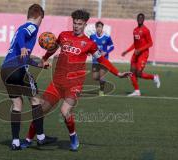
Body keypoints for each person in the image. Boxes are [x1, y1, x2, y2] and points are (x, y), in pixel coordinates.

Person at [21, 9, 130, 151]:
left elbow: (102, 59)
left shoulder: (89, 43)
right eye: (74, 23)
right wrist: (44, 58)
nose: (76, 26)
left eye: (79, 24)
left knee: (65, 111)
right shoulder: (63, 35)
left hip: (74, 84)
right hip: (57, 82)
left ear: (85, 24)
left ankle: (73, 136)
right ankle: (29, 139)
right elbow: (53, 49)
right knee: (40, 111)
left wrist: (118, 73)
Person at [1, 4, 56, 150]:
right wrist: (24, 46)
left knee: (17, 104)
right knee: (35, 100)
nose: (41, 22)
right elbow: (21, 36)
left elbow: (23, 55)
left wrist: (39, 64)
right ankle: (41, 138)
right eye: (41, 20)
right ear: (39, 16)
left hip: (5, 70)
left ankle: (15, 142)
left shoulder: (21, 27)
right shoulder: (32, 26)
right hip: (18, 69)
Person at [122, 13, 161, 96]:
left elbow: (150, 43)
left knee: (138, 74)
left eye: (141, 18)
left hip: (143, 54)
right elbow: (135, 44)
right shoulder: (135, 30)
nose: (140, 20)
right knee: (132, 72)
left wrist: (140, 49)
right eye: (138, 18)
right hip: (136, 53)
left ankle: (154, 77)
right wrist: (127, 51)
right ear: (137, 19)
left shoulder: (146, 30)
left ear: (143, 20)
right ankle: (137, 91)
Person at [90, 21, 114, 96]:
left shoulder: (107, 37)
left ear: (102, 28)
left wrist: (106, 52)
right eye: (97, 27)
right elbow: (89, 46)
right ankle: (102, 82)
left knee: (101, 76)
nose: (98, 28)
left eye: (100, 27)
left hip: (104, 60)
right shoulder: (92, 36)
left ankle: (101, 91)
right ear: (96, 28)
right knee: (94, 77)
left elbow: (112, 46)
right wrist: (88, 52)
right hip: (95, 60)